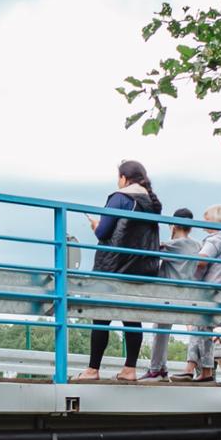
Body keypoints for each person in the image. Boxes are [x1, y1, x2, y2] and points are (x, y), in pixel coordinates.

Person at [75, 160, 162, 382]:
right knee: (132, 318)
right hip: (140, 270)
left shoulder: (120, 198)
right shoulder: (151, 203)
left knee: (101, 318)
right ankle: (129, 369)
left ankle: (92, 370)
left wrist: (96, 226)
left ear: (124, 178)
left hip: (113, 266)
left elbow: (104, 232)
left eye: (118, 177)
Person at [142, 208, 201, 380]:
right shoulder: (196, 245)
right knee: (161, 330)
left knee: (160, 331)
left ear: (173, 225)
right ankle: (162, 367)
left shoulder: (173, 244)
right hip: (187, 293)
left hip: (169, 293)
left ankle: (156, 369)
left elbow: (151, 251)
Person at [181, 205, 221, 383]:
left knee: (200, 324)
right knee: (201, 326)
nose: (203, 222)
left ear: (214, 220)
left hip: (211, 290)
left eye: (206, 219)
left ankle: (198, 369)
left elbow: (202, 261)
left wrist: (193, 277)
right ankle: (196, 369)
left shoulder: (215, 239)